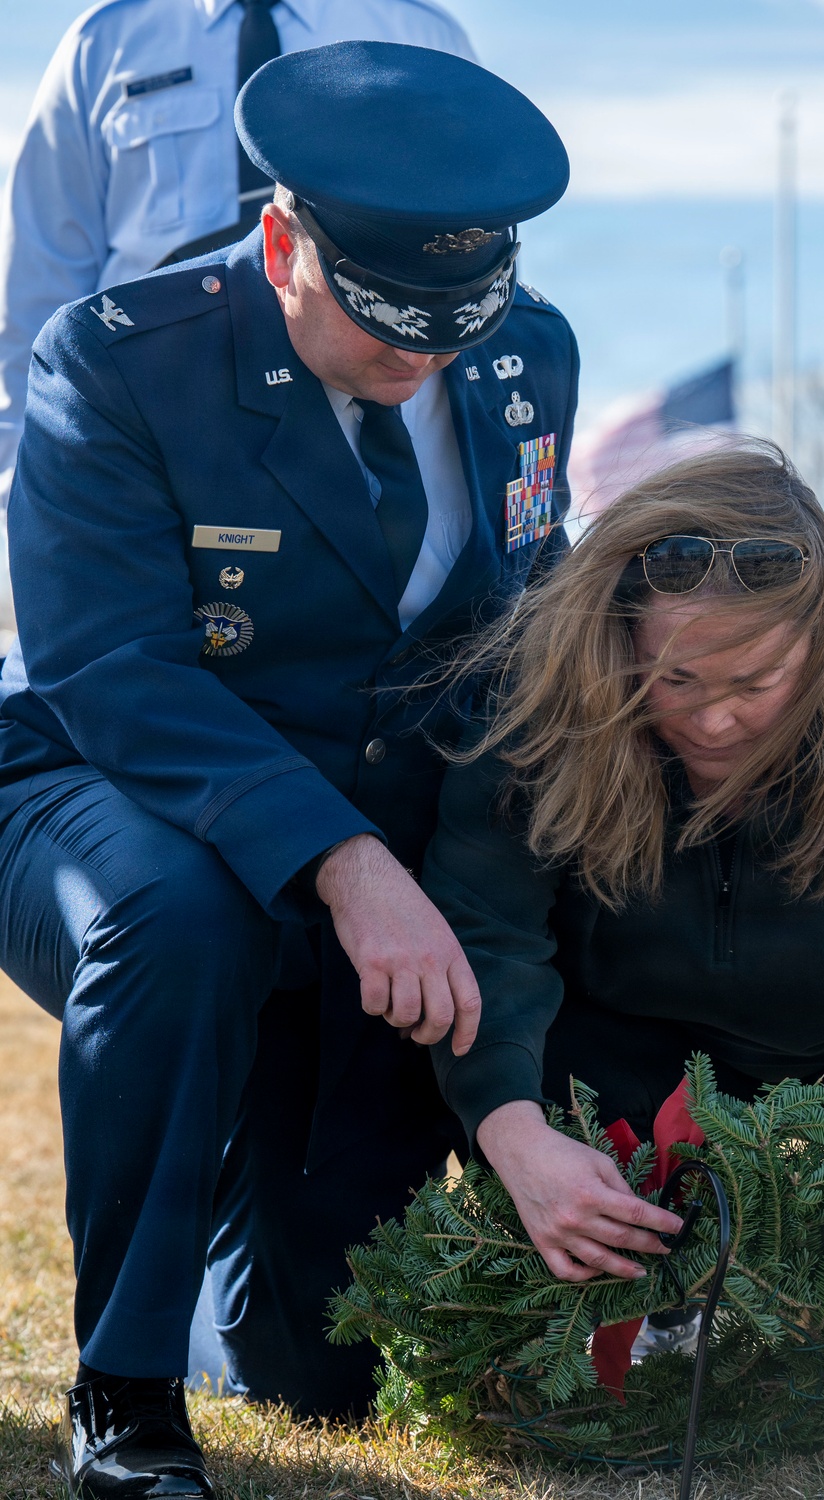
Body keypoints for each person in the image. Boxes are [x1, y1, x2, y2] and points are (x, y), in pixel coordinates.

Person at [0, 40, 578, 1498]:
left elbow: (519, 608)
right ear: (279, 241)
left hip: (368, 828)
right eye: (391, 325)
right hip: (101, 787)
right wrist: (347, 861)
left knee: (309, 1374)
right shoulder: (120, 361)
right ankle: (124, 1398)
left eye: (461, 322)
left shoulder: (524, 355)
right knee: (180, 915)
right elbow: (112, 669)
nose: (427, 361)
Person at [423, 441, 824, 1448]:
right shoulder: (543, 695)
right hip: (603, 1076)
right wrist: (511, 1131)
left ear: (822, 644)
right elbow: (486, 935)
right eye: (677, 679)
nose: (719, 717)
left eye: (758, 678)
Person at [0, 0, 476, 514]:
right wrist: (24, 480)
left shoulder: (417, 32)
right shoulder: (104, 41)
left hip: (358, 391)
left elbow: (472, 245)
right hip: (153, 404)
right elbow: (42, 277)